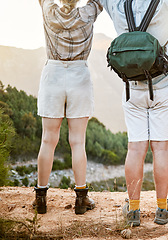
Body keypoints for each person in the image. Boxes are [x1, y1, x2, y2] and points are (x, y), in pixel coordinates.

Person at [99, 0, 168, 226]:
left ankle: (133, 210)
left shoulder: (117, 5)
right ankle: (162, 208)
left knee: (135, 148)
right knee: (161, 148)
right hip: (163, 88)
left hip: (132, 88)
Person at [33, 0, 103, 215]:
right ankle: (81, 199)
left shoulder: (48, 10)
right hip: (79, 75)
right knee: (78, 141)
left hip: (53, 74)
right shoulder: (88, 12)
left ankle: (41, 198)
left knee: (48, 139)